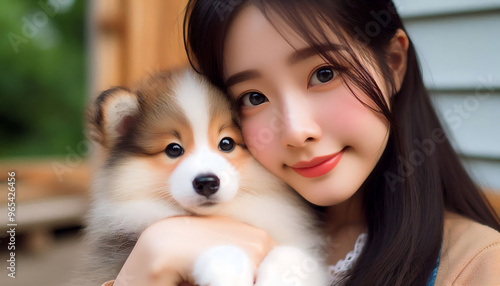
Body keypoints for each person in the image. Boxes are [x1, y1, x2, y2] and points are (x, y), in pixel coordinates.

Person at [105, 0, 500, 285]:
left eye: (324, 73)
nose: (296, 131)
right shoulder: (180, 235)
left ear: (393, 62)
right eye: (253, 97)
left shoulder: (480, 267)